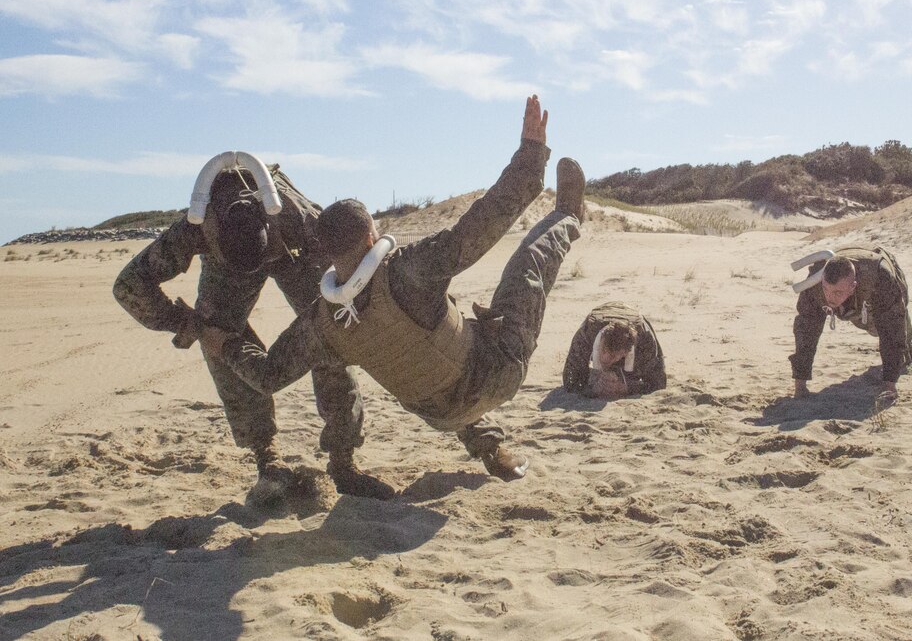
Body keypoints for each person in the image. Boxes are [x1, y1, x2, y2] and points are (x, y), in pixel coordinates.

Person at [200, 95, 583, 492]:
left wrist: (224, 343)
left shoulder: (321, 325)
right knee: (527, 265)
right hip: (498, 374)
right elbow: (481, 225)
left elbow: (267, 376)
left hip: (436, 414)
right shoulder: (407, 271)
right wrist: (531, 155)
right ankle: (570, 214)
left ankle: (488, 444)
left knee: (427, 350)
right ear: (371, 235)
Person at [113, 153, 373, 500]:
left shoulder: (302, 220)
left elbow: (353, 264)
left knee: (330, 334)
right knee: (218, 336)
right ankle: (267, 459)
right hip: (226, 266)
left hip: (293, 251)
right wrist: (188, 323)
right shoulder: (194, 228)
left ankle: (343, 461)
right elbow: (129, 286)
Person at [789, 245, 912, 401]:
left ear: (852, 287)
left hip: (883, 283)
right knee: (810, 325)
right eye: (826, 289)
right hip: (852, 297)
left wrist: (889, 385)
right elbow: (805, 331)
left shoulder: (881, 279)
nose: (830, 297)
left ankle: (908, 348)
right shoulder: (815, 283)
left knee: (892, 330)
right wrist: (800, 386)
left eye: (837, 292)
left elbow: (892, 330)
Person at [562, 302, 666, 398]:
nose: (609, 359)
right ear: (600, 344)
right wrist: (593, 389)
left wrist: (628, 388)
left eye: (614, 356)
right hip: (601, 313)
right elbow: (570, 381)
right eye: (606, 353)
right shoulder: (586, 334)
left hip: (633, 317)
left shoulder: (645, 339)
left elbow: (658, 383)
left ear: (625, 353)